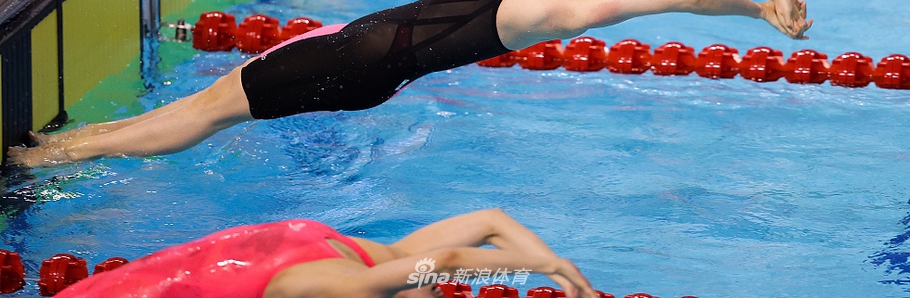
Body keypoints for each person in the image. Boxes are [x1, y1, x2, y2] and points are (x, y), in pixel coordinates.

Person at [8, 0, 811, 167]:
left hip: (357, 60)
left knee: (210, 111)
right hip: (364, 53)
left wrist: (751, 15)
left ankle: (54, 157)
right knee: (213, 103)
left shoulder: (565, 3)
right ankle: (70, 143)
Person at [55, 209, 599, 298]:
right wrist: (550, 267)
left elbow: (490, 224)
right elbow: (451, 259)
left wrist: (565, 278)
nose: (439, 291)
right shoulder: (348, 285)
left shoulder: (370, 258)